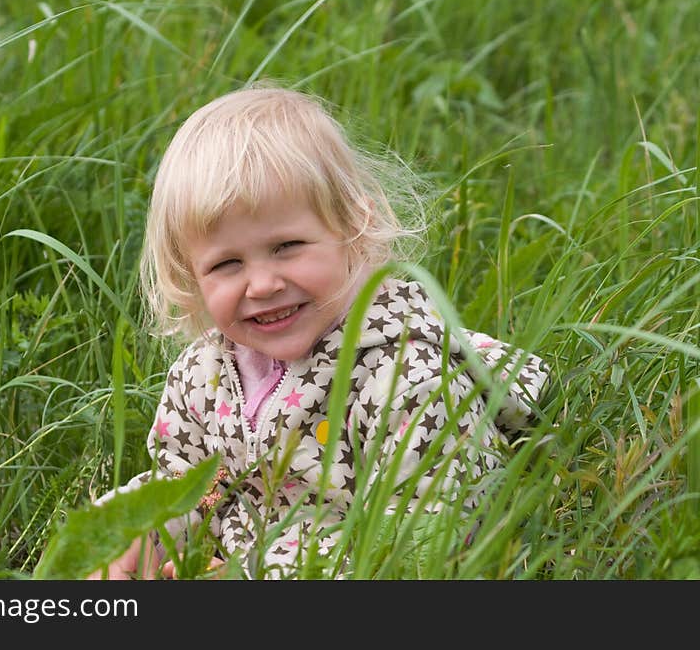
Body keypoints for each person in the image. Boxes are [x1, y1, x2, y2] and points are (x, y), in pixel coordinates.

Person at [89, 85, 548, 580]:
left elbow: (427, 540)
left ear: (355, 224)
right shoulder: (205, 373)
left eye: (287, 246)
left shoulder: (410, 376)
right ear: (190, 274)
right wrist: (137, 533)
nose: (263, 284)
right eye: (226, 263)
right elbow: (188, 481)